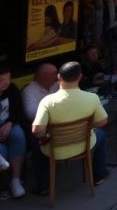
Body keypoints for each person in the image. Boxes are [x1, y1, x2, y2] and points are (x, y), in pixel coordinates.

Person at [31, 61, 109, 196]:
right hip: (84, 146)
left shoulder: (47, 101)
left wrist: (47, 132)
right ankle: (100, 175)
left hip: (56, 151)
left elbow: (37, 131)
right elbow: (102, 122)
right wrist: (87, 128)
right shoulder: (92, 98)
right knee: (101, 134)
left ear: (59, 77)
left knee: (35, 145)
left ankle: (44, 186)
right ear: (80, 77)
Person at [0, 63, 28, 198]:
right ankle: (4, 186)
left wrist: (10, 122)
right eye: (1, 80)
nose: (5, 83)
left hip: (8, 124)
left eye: (7, 79)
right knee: (2, 151)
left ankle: (16, 180)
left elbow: (19, 112)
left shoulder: (12, 89)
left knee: (19, 136)